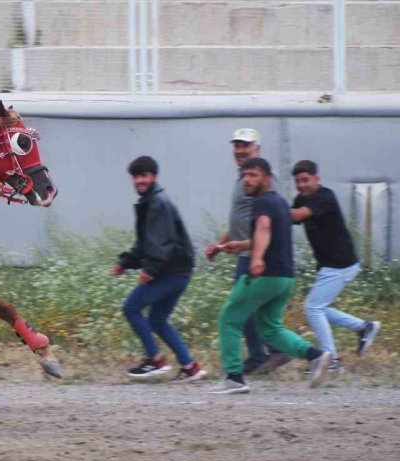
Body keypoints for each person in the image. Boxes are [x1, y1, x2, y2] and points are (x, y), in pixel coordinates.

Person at [209, 158, 332, 394]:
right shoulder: (280, 203)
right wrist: (244, 245)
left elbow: (264, 228)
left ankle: (234, 377)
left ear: (267, 179)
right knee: (270, 329)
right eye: (245, 175)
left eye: (253, 175)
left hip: (265, 275)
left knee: (229, 318)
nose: (247, 179)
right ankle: (316, 356)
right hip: (284, 278)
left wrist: (256, 258)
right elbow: (271, 235)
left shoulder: (262, 202)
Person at [204, 128, 290, 374]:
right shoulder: (244, 179)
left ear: (257, 149)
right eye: (237, 146)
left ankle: (264, 354)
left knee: (240, 307)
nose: (240, 151)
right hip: (245, 252)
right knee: (251, 308)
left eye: (246, 146)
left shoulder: (257, 181)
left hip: (253, 255)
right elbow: (240, 221)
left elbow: (267, 221)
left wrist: (258, 254)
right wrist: (220, 246)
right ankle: (266, 353)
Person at [113, 156, 206, 382]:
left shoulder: (157, 203)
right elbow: (146, 243)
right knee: (157, 319)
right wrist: (125, 262)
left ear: (153, 177)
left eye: (144, 176)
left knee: (131, 308)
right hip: (178, 271)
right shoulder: (151, 201)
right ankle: (190, 366)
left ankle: (155, 360)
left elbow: (161, 243)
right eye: (136, 177)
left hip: (170, 271)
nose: (139, 181)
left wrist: (151, 270)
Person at [290, 160, 380, 374]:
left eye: (306, 180)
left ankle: (330, 359)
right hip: (330, 265)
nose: (302, 185)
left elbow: (297, 215)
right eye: (298, 182)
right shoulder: (300, 199)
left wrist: (269, 207)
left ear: (316, 179)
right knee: (318, 308)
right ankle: (363, 327)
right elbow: (288, 221)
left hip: (340, 263)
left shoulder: (325, 196)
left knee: (313, 308)